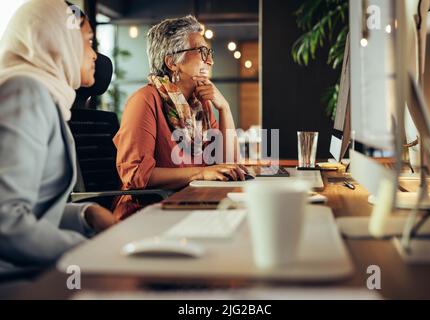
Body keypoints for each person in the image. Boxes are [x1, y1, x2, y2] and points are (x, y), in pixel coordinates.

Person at [0, 0, 115, 274]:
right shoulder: (25, 93)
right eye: (88, 41)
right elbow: (5, 221)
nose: (95, 55)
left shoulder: (46, 99)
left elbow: (34, 210)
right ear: (58, 40)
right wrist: (88, 251)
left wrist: (85, 215)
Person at [113, 15, 247, 220]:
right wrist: (200, 173)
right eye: (201, 52)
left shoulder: (200, 106)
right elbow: (137, 175)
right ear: (172, 62)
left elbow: (228, 166)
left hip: (192, 205)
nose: (209, 60)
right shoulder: (144, 101)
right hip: (148, 214)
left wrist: (224, 108)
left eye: (209, 52)